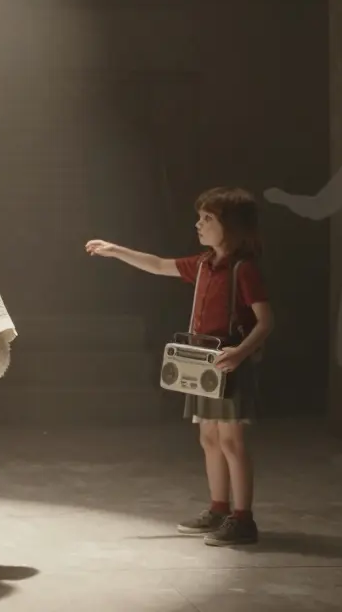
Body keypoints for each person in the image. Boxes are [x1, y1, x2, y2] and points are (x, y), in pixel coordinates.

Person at [85, 186, 274, 546]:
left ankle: (243, 518)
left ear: (230, 226)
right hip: (203, 367)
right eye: (200, 217)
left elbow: (266, 322)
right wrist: (116, 251)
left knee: (232, 441)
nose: (199, 224)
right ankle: (219, 508)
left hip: (229, 366)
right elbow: (158, 265)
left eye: (208, 219)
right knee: (209, 438)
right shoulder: (203, 264)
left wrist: (239, 353)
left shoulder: (244, 270)